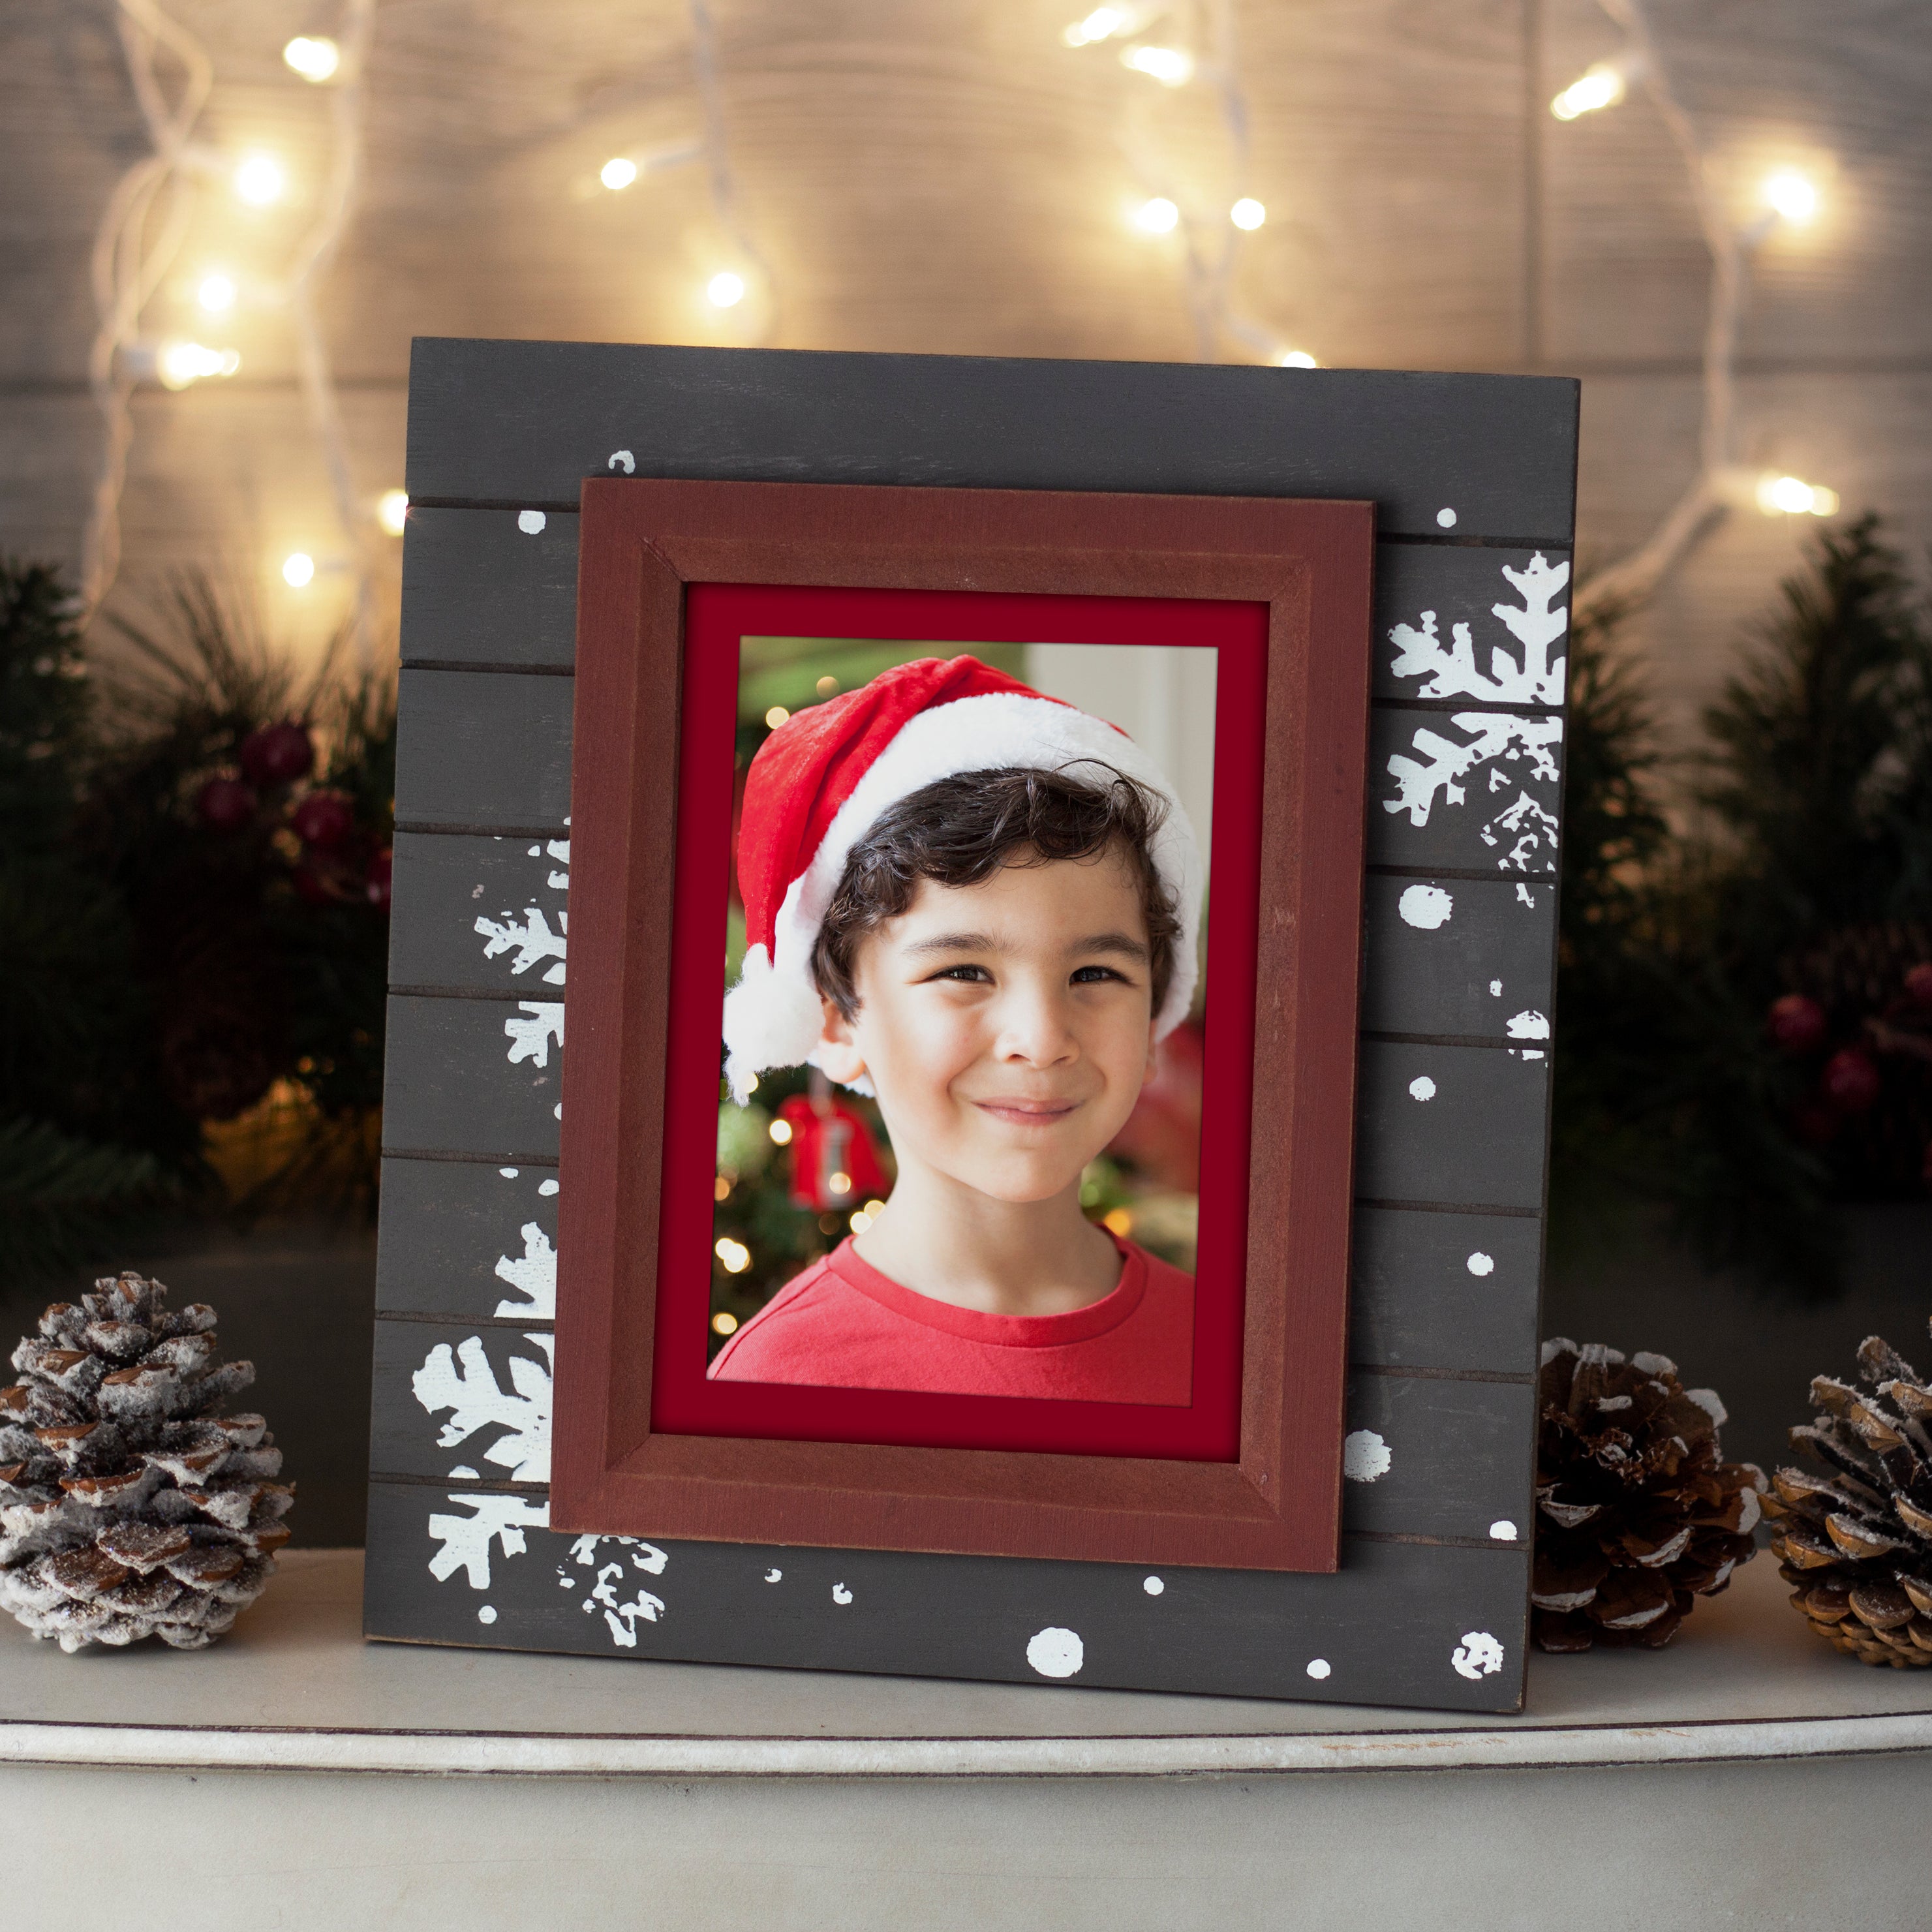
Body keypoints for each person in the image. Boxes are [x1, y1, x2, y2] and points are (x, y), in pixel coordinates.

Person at [709, 654, 1200, 1405]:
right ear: (835, 1020)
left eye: (1095, 975)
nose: (1040, 1039)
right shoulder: (775, 1381)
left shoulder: (1236, 1360)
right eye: (964, 973)